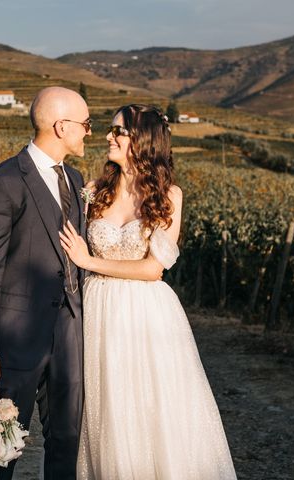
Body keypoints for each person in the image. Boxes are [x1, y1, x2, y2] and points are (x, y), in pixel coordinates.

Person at [60, 104, 237, 479]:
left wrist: (89, 262)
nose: (108, 136)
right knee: (105, 408)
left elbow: (152, 269)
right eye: (111, 130)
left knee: (147, 407)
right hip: (98, 309)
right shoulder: (92, 191)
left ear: (142, 141)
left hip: (144, 313)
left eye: (118, 131)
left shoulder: (170, 195)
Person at [0, 86, 91, 480]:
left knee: (65, 444)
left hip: (69, 337)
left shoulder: (75, 179)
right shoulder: (3, 181)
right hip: (16, 340)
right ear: (61, 126)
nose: (90, 132)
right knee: (0, 449)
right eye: (85, 124)